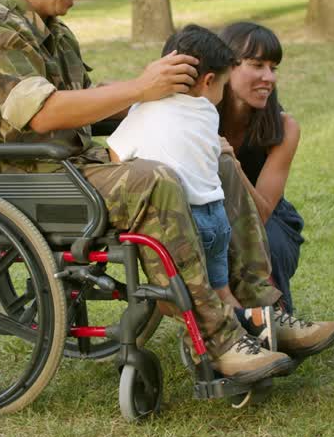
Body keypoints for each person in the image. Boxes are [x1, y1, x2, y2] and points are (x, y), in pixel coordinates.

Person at [0, 0, 334, 384]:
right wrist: (140, 87)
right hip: (26, 182)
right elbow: (43, 114)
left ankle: (261, 308)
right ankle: (218, 339)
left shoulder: (52, 30)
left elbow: (87, 109)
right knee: (154, 178)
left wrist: (170, 98)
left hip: (73, 169)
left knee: (218, 161)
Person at [106, 25, 277, 349]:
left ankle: (221, 341)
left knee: (199, 292)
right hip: (219, 219)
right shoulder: (207, 115)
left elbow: (116, 155)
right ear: (208, 82)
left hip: (189, 223)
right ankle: (254, 326)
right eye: (224, 84)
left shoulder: (146, 110)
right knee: (222, 289)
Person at [217, 22, 305, 313]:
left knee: (268, 244)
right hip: (212, 209)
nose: (268, 77)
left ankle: (274, 323)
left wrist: (232, 163)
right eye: (257, 65)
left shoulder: (284, 127)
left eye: (273, 67)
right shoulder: (197, 115)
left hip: (269, 218)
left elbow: (263, 210)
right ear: (227, 67)